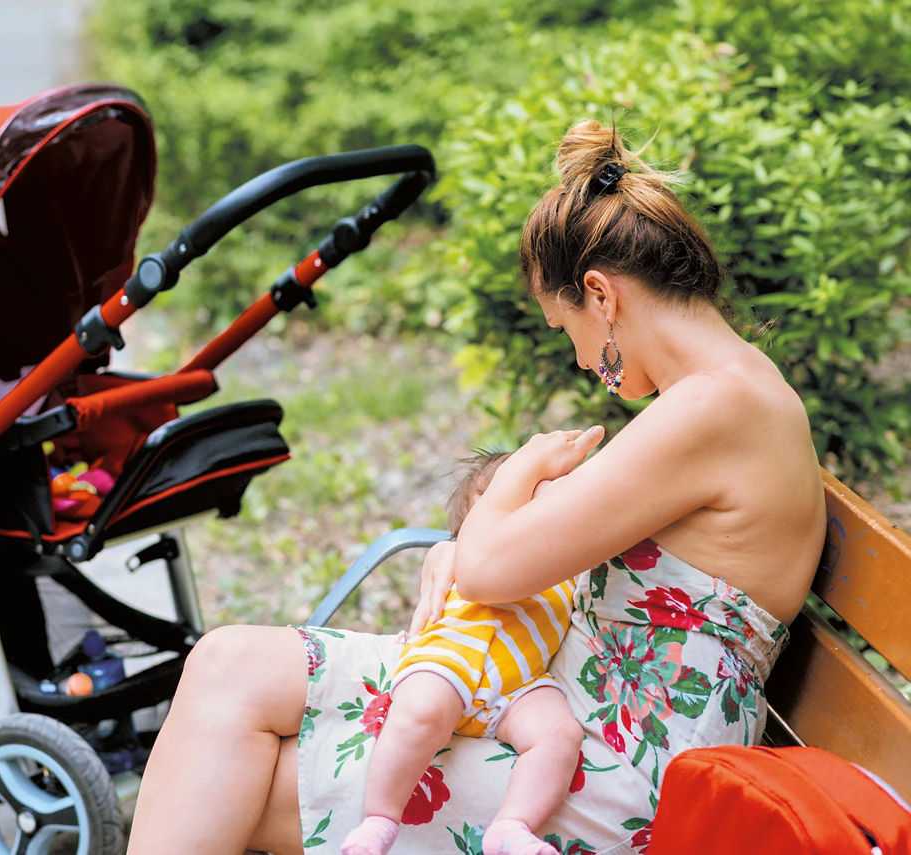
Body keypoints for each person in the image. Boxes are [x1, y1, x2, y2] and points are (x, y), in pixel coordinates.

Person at [124, 119, 827, 854]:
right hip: (551, 689)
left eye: (566, 330)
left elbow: (492, 564)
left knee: (256, 778)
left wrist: (477, 535)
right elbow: (523, 550)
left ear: (600, 294)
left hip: (619, 759)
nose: (584, 361)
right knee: (226, 663)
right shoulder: (716, 395)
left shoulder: (715, 407)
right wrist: (463, 550)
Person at [341, 451, 582, 855]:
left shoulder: (572, 563)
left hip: (520, 684)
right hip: (450, 658)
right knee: (421, 711)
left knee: (559, 734)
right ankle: (379, 819)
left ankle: (513, 826)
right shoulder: (465, 557)